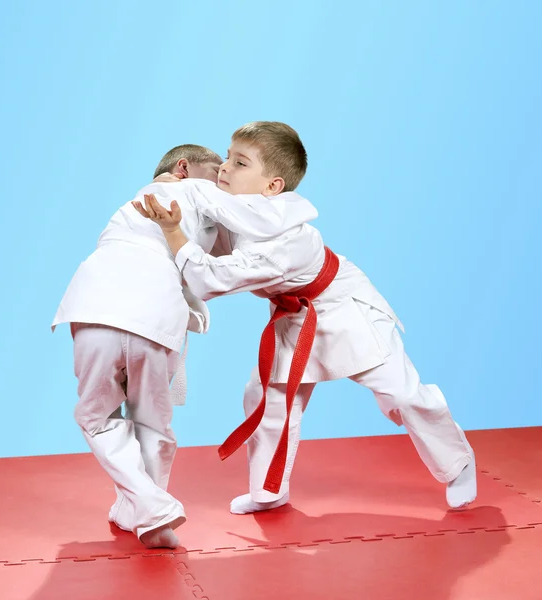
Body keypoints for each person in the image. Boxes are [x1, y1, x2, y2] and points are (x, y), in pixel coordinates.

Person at [134, 121, 477, 519]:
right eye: (227, 157)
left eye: (240, 163)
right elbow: (215, 236)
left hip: (343, 308)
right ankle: (268, 489)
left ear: (273, 186)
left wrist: (174, 230)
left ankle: (457, 461)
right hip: (292, 315)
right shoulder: (242, 210)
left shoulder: (285, 237)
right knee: (267, 399)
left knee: (401, 393)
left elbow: (210, 278)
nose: (225, 168)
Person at [52, 142, 318, 548]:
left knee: (96, 416)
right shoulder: (195, 191)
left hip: (100, 307)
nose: (226, 176)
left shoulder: (147, 207)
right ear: (183, 168)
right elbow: (254, 235)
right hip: (156, 316)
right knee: (152, 422)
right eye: (219, 168)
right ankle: (147, 514)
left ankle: (148, 507)